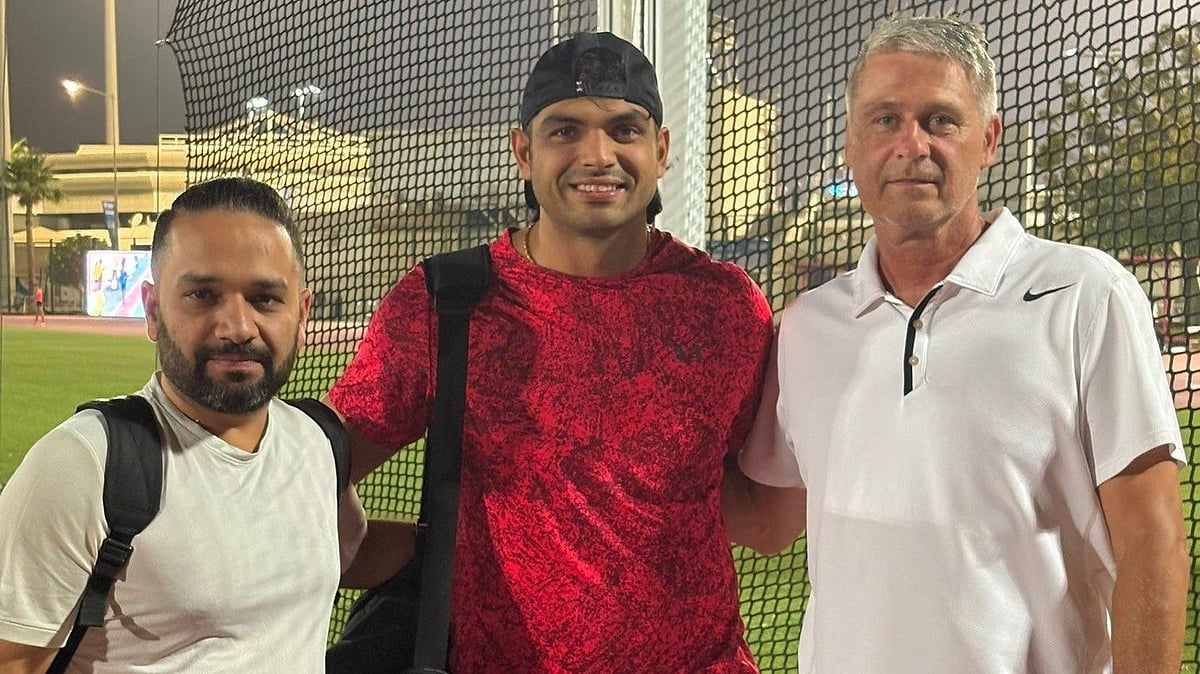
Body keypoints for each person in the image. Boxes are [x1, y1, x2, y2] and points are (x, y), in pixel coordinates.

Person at [723, 15, 1190, 674]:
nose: (911, 144)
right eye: (885, 120)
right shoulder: (807, 328)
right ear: (852, 143)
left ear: (989, 139)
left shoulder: (1085, 294)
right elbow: (768, 523)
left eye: (940, 120)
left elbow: (1152, 541)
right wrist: (631, 434)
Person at [328, 31, 772, 672]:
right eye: (565, 131)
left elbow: (762, 515)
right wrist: (436, 548)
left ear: (661, 151)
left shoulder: (726, 307)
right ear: (523, 152)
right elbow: (320, 472)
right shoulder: (447, 301)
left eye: (624, 130)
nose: (598, 155)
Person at [0, 177, 366, 673]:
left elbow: (345, 552)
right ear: (153, 311)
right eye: (202, 295)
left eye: (265, 299)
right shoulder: (83, 462)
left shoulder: (317, 442)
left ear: (301, 314)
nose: (237, 327)